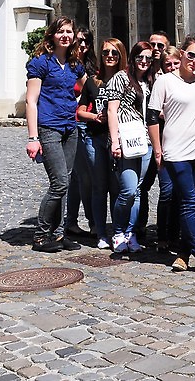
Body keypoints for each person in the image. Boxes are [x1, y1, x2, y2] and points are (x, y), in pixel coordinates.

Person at [147, 36, 195, 276]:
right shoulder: (165, 81)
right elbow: (152, 117)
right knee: (189, 201)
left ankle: (183, 252)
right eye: (191, 55)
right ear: (181, 53)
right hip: (176, 149)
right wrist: (158, 150)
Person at [24, 16, 86, 253]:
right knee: (59, 182)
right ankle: (41, 236)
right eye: (61, 31)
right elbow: (31, 101)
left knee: (65, 183)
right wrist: (33, 138)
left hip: (70, 128)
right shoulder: (41, 63)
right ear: (52, 35)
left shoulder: (74, 64)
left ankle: (59, 234)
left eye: (69, 31)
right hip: (49, 127)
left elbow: (88, 87)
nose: (65, 36)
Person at [76, 38, 124, 249]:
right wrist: (95, 117)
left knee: (116, 187)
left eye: (114, 53)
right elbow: (80, 111)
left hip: (119, 140)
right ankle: (100, 232)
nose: (109, 56)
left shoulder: (126, 80)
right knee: (99, 187)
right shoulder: (92, 82)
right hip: (95, 138)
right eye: (105, 53)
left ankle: (117, 231)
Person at [106, 41, 154, 253]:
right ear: (133, 58)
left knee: (138, 190)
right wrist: (115, 141)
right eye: (140, 57)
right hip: (126, 140)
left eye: (148, 58)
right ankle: (118, 232)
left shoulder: (150, 81)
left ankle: (131, 233)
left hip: (146, 142)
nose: (144, 61)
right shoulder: (121, 78)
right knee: (127, 190)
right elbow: (112, 111)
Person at [137, 31, 172, 244]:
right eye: (153, 45)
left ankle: (165, 232)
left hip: (170, 138)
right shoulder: (143, 72)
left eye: (160, 45)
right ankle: (140, 226)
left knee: (168, 189)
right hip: (146, 139)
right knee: (142, 185)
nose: (156, 49)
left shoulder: (173, 71)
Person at [66, 28, 97, 239]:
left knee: (80, 177)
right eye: (79, 41)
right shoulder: (68, 66)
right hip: (74, 124)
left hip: (90, 124)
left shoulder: (92, 67)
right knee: (82, 176)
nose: (82, 45)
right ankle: (90, 222)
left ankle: (72, 222)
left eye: (86, 41)